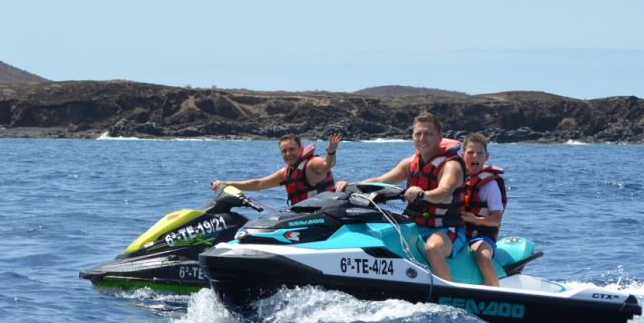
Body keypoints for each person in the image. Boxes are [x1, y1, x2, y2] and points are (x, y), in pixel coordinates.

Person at [341, 113, 465, 281]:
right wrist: (349, 186)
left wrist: (422, 194)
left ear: (439, 137)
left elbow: (444, 191)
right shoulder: (409, 163)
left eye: (428, 134)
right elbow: (380, 181)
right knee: (381, 236)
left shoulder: (451, 165)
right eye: (418, 134)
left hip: (448, 229)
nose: (422, 138)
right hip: (416, 225)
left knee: (432, 248)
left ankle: (447, 294)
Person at [211, 132, 342, 205]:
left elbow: (328, 164)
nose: (288, 154)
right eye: (284, 151)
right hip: (301, 215)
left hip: (322, 215)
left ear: (301, 149)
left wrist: (331, 152)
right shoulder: (287, 172)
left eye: (292, 149)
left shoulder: (312, 164)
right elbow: (259, 184)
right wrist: (226, 184)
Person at [460, 133, 506, 287]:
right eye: (470, 153)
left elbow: (496, 219)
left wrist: (474, 219)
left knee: (482, 256)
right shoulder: (455, 178)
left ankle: (495, 291)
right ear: (462, 155)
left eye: (479, 153)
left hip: (480, 236)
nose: (475, 156)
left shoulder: (490, 185)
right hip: (456, 232)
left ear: (486, 157)